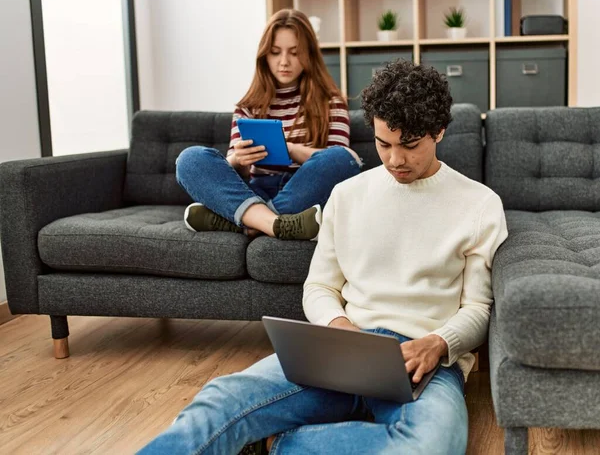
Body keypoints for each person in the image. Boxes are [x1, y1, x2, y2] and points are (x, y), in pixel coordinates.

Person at [138, 60, 508, 455]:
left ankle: (273, 444)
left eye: (410, 145)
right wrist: (340, 326)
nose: (396, 159)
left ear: (439, 131)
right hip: (342, 350)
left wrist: (437, 343)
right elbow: (319, 286)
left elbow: (477, 307)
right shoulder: (347, 196)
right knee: (222, 398)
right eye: (384, 144)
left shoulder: (479, 204)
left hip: (425, 362)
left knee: (432, 445)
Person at [176, 9, 362, 241]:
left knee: (346, 158)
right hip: (255, 189)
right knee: (190, 159)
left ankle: (245, 222)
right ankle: (278, 223)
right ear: (265, 55)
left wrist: (291, 149)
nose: (284, 62)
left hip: (303, 188)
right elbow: (234, 174)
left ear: (309, 54)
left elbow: (337, 158)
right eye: (275, 53)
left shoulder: (331, 102)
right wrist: (238, 160)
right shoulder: (248, 106)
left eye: (294, 53)